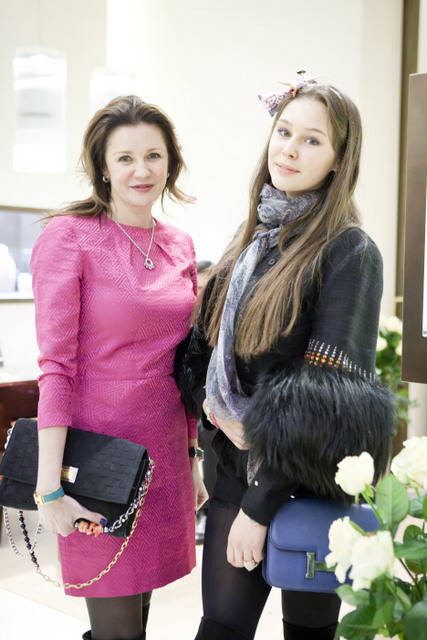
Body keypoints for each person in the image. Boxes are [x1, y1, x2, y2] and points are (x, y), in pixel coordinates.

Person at [176, 74, 395, 640]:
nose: (290, 149)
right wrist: (213, 410)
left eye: (312, 140)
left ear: (339, 159)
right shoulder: (250, 241)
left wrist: (258, 508)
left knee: (308, 633)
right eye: (284, 132)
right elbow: (199, 352)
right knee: (220, 628)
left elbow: (323, 400)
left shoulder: (349, 251)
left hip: (304, 485)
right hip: (232, 474)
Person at [30, 95, 208, 640]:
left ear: (171, 163)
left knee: (141, 618)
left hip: (163, 456)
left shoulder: (179, 244)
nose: (141, 170)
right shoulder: (69, 236)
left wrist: (193, 457)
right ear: (102, 167)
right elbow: (56, 368)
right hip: (96, 459)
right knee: (118, 629)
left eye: (153, 156)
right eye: (125, 157)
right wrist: (49, 488)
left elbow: (186, 364)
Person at [194, 260, 218, 544]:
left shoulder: (221, 319)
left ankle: (207, 510)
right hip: (183, 399)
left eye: (206, 288)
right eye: (197, 288)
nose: (200, 295)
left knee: (208, 430)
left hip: (210, 402)